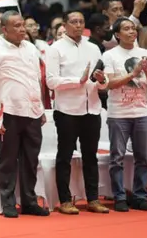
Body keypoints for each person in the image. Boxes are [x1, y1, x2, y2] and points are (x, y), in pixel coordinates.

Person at [0, 11, 49, 219]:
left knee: (31, 159)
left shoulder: (30, 48)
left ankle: (28, 201)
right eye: (16, 26)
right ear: (4, 29)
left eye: (22, 25)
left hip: (33, 111)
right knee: (8, 159)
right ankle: (8, 201)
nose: (22, 29)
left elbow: (37, 80)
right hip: (8, 111)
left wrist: (42, 109)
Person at [44, 11, 110, 214]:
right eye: (74, 22)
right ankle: (65, 200)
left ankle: (92, 199)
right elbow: (51, 81)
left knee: (91, 155)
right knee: (64, 155)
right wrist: (78, 81)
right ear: (65, 24)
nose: (78, 25)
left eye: (81, 21)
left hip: (92, 107)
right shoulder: (55, 49)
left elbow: (104, 82)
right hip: (67, 109)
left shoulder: (93, 48)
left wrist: (101, 80)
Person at [102, 17, 147, 212]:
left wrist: (145, 71)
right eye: (126, 29)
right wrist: (133, 74)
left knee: (143, 157)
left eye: (133, 28)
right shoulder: (109, 55)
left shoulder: (145, 53)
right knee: (116, 157)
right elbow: (110, 83)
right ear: (117, 34)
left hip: (142, 111)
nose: (132, 31)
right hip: (118, 112)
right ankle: (119, 197)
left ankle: (140, 196)